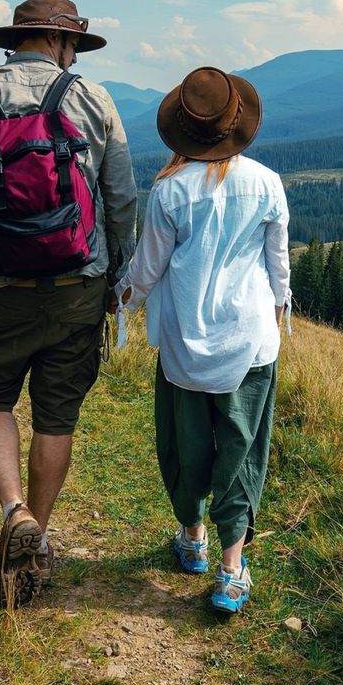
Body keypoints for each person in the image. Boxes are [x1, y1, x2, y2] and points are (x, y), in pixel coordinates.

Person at [0, 0, 137, 608]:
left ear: (17, 39)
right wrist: (117, 276)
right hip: (78, 283)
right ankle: (37, 536)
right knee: (56, 413)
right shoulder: (92, 99)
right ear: (64, 44)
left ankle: (14, 510)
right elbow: (119, 198)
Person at [116, 66, 290, 614]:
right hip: (251, 344)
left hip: (184, 344)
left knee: (185, 445)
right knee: (241, 452)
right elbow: (278, 266)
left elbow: (146, 270)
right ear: (238, 124)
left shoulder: (169, 189)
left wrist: (119, 305)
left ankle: (192, 537)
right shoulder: (266, 183)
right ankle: (231, 570)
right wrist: (281, 312)